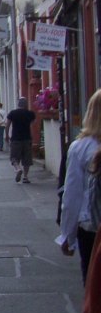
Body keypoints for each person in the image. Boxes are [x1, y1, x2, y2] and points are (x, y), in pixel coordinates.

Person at [57, 89, 101, 282]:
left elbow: (72, 196)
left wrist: (68, 235)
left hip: (92, 229)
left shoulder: (80, 147)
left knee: (94, 285)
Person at [8, 96, 37, 183]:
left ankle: (18, 169)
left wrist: (6, 135)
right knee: (27, 159)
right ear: (26, 104)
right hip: (27, 138)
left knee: (14, 157)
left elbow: (7, 124)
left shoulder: (12, 113)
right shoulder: (30, 114)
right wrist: (32, 137)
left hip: (16, 138)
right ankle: (25, 177)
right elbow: (32, 125)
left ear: (18, 104)